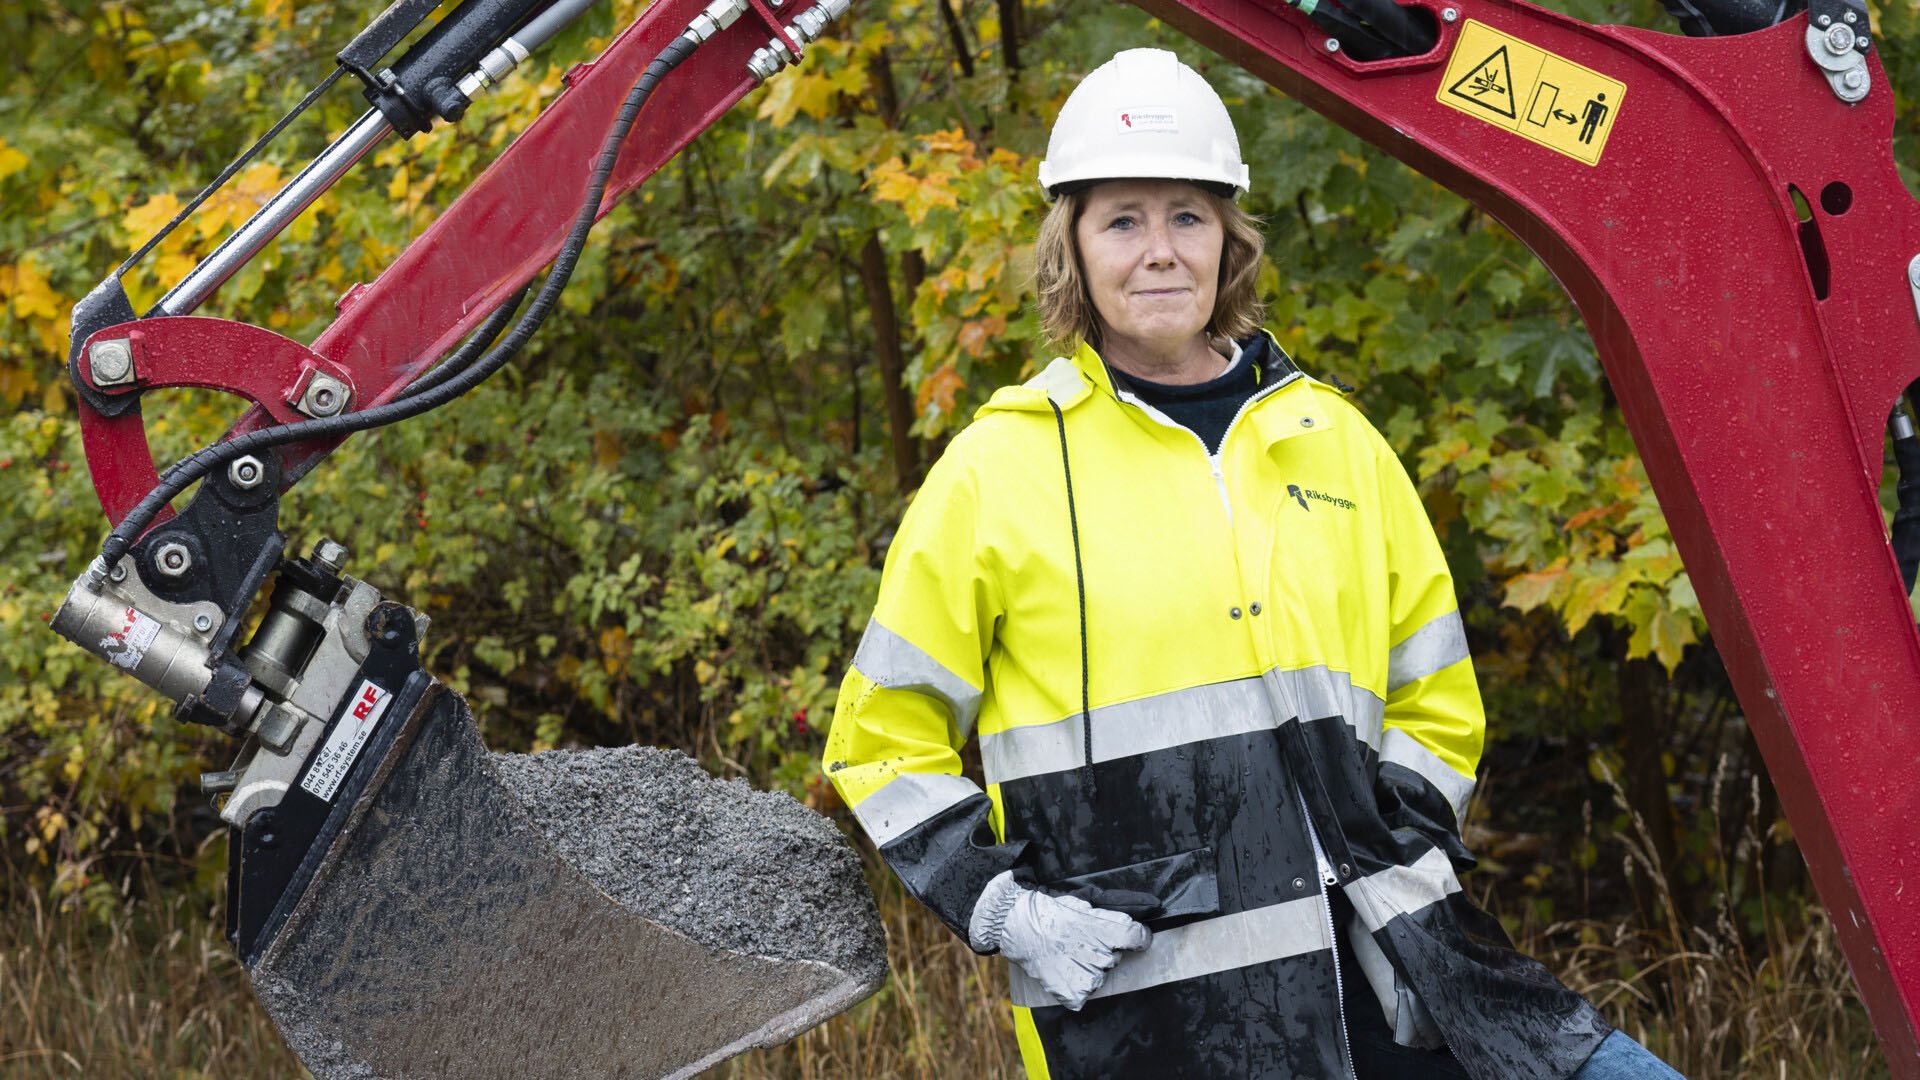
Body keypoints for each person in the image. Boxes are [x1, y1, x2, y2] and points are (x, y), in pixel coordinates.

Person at [823, 47, 1684, 1079]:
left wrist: (1391, 842)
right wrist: (1005, 909)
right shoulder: (996, 471)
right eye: (1123, 220)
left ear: (1230, 243)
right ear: (1074, 248)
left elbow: (1437, 696)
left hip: (1401, 973)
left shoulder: (1337, 441)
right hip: (1157, 1022)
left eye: (1188, 216)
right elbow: (881, 741)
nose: (1160, 252)